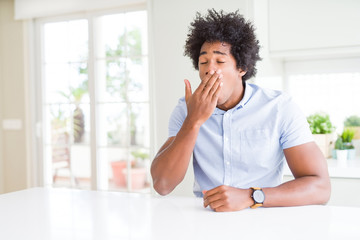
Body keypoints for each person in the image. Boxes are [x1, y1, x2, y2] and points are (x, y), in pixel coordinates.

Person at [150, 9, 331, 212]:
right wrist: (193, 121)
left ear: (242, 68)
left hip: (263, 219)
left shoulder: (279, 108)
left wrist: (251, 196)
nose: (209, 69)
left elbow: (320, 187)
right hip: (206, 221)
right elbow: (162, 185)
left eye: (220, 61)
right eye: (203, 62)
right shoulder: (185, 111)